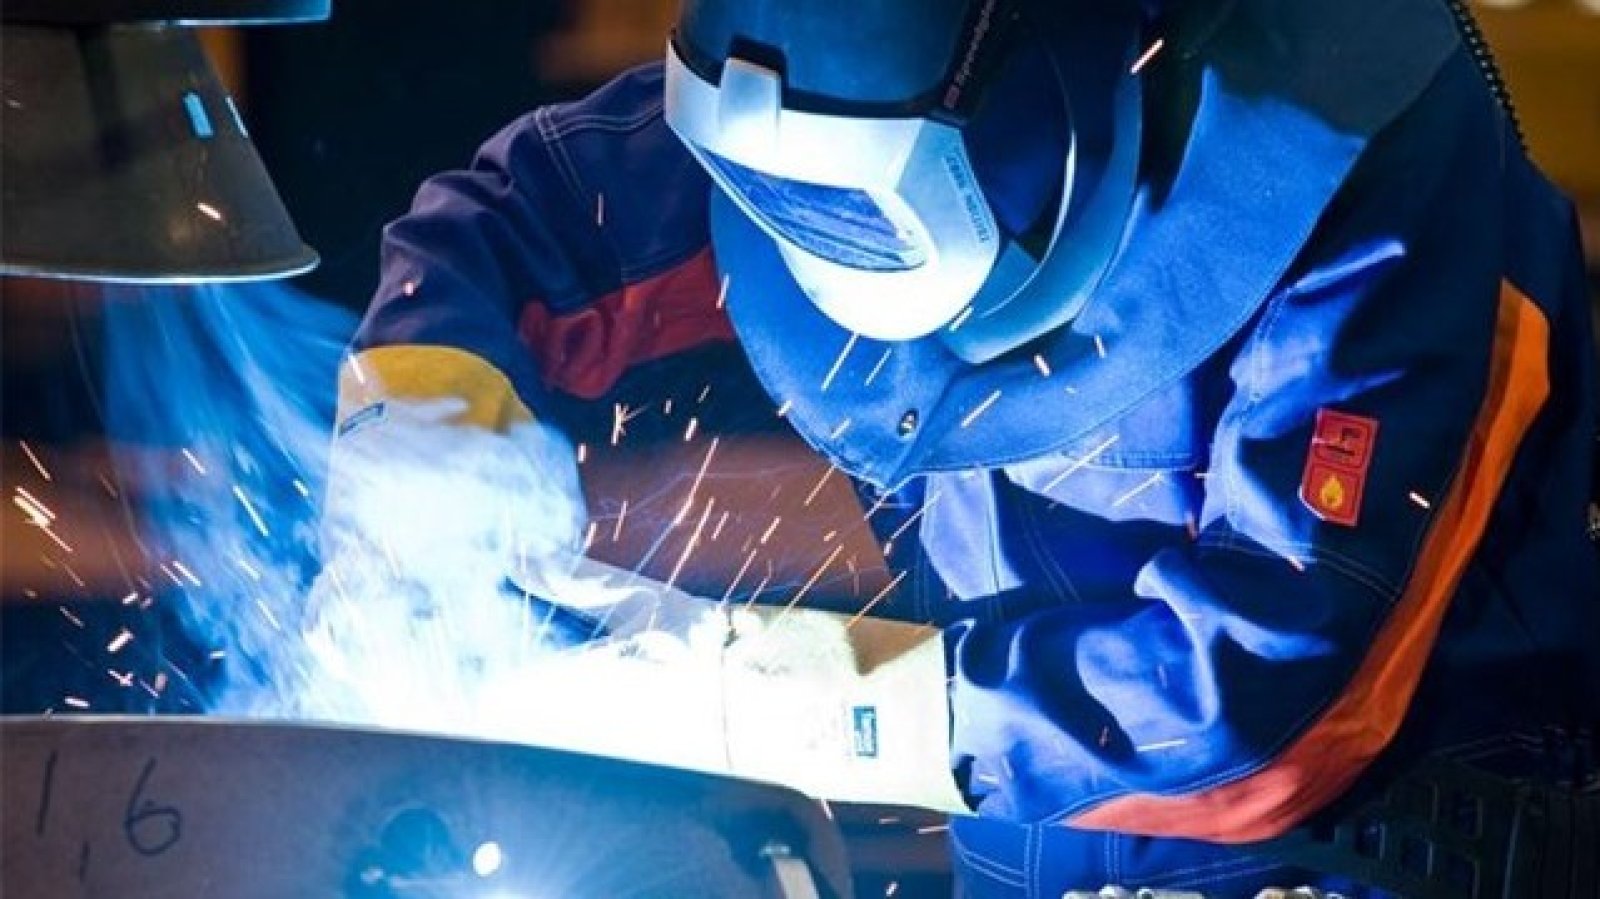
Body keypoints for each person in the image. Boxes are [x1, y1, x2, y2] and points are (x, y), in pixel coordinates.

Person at [323, 0, 1600, 894]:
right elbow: (510, 226)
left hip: (1371, 855)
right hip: (1011, 858)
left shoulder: (1362, 175)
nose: (811, 251)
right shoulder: (839, 72)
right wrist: (418, 453)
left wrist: (772, 701)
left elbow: (1278, 713)